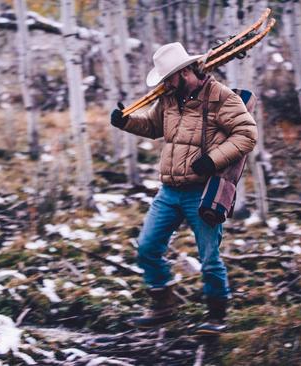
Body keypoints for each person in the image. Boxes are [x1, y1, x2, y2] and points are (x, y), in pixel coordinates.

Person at [110, 42, 257, 334]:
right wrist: (126, 122)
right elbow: (153, 127)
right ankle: (163, 306)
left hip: (201, 192)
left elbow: (247, 134)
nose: (164, 83)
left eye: (168, 77)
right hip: (168, 192)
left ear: (185, 71)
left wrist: (213, 160)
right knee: (147, 247)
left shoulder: (220, 97)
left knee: (209, 258)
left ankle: (216, 316)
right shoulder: (168, 98)